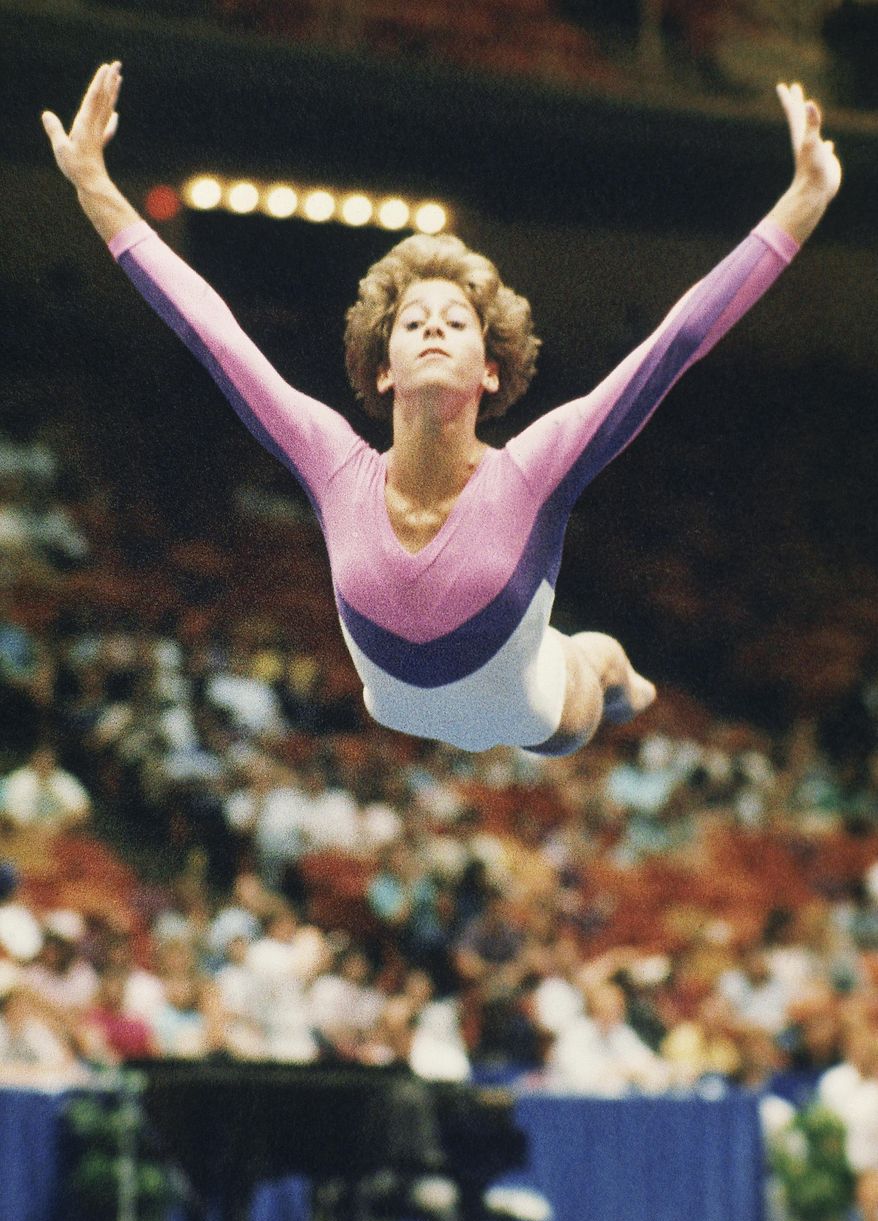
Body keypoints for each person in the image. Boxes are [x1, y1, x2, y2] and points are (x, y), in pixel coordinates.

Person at [41, 67, 841, 756]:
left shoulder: (535, 471)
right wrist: (96, 190)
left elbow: (678, 342)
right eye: (412, 321)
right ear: (381, 369)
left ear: (491, 371)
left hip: (535, 710)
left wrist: (801, 204)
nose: (430, 326)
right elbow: (210, 332)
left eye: (454, 321)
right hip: (395, 707)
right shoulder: (332, 463)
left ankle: (614, 669)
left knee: (591, 674)